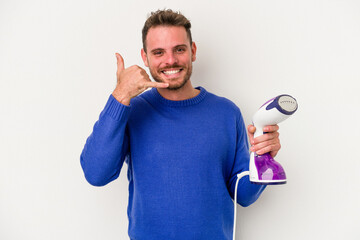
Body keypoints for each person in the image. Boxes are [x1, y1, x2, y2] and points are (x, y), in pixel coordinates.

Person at [80, 9, 281, 240]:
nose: (171, 60)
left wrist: (264, 158)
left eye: (179, 49)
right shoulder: (132, 110)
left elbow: (244, 195)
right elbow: (96, 174)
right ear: (145, 57)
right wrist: (120, 94)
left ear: (192, 51)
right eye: (158, 52)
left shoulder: (226, 112)